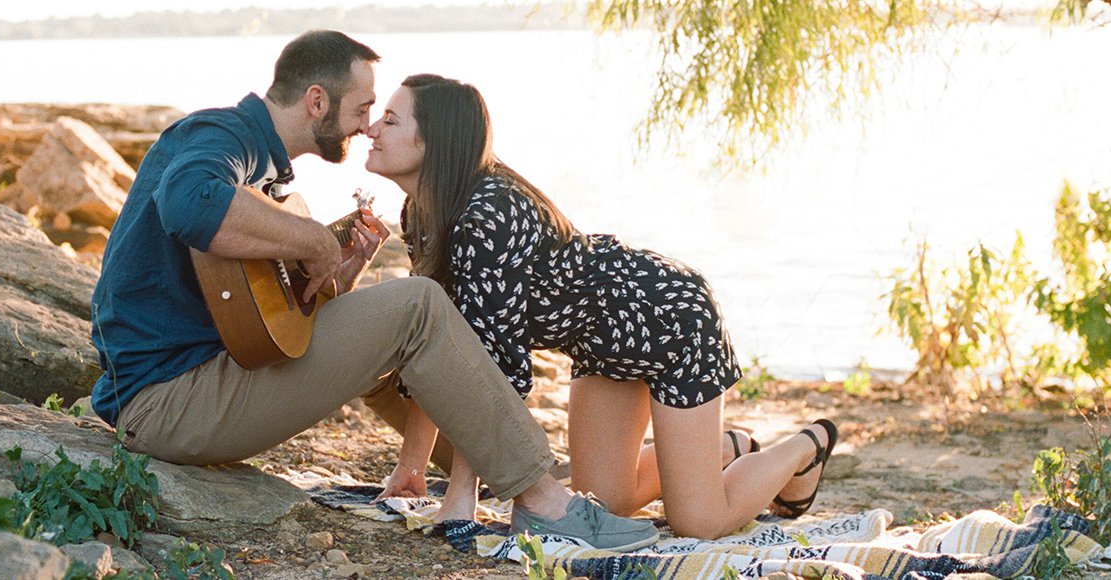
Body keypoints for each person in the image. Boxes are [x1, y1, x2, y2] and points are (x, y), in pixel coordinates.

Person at [88, 31, 658, 552]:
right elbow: (188, 202)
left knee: (401, 325)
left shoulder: (265, 169)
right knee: (418, 304)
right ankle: (544, 503)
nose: (366, 126)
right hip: (168, 403)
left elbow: (268, 319)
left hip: (207, 383)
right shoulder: (219, 137)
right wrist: (313, 240)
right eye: (363, 109)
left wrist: (342, 270)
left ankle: (511, 471)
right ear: (316, 102)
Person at [360, 74, 841, 540]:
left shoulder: (489, 214)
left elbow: (491, 370)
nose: (372, 128)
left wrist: (462, 495)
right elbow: (439, 349)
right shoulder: (422, 213)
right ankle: (722, 449)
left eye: (391, 120)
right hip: (601, 342)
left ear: (435, 143)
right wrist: (411, 467)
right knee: (601, 500)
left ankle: (807, 446)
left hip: (669, 319)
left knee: (698, 522)